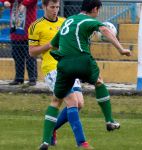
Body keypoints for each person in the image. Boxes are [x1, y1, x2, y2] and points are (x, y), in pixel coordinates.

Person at [34, 0, 132, 149]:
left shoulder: (69, 21)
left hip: (63, 65)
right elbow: (105, 30)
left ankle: (45, 141)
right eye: (98, 10)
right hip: (81, 60)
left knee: (56, 101)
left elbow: (54, 44)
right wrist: (121, 49)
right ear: (94, 9)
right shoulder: (88, 20)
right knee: (98, 81)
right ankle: (109, 121)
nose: (98, 14)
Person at [28, 0, 91, 149]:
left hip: (69, 67)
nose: (55, 10)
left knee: (79, 103)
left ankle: (52, 129)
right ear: (44, 6)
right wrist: (49, 45)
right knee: (72, 101)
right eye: (52, 7)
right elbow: (31, 52)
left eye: (57, 7)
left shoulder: (65, 22)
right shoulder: (36, 26)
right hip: (52, 69)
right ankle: (81, 142)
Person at [2, 0, 37, 86]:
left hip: (28, 32)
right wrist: (5, 1)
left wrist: (24, 4)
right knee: (17, 56)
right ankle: (19, 78)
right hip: (15, 32)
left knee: (30, 56)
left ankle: (32, 78)